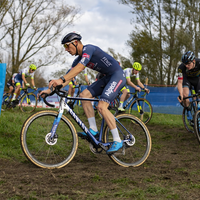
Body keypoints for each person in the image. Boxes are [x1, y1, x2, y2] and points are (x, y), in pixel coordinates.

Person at [41, 31, 126, 154]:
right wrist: (50, 90)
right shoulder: (77, 60)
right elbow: (67, 78)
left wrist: (61, 80)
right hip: (106, 78)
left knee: (102, 107)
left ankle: (117, 140)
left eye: (66, 46)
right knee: (84, 95)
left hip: (117, 76)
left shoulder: (88, 49)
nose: (66, 49)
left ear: (75, 43)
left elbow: (80, 68)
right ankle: (93, 130)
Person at [177, 51, 200, 122]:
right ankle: (188, 110)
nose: (186, 66)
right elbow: (180, 82)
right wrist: (181, 95)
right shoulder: (181, 68)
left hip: (198, 80)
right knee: (184, 95)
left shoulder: (199, 63)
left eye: (188, 64)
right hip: (187, 80)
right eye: (185, 64)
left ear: (193, 61)